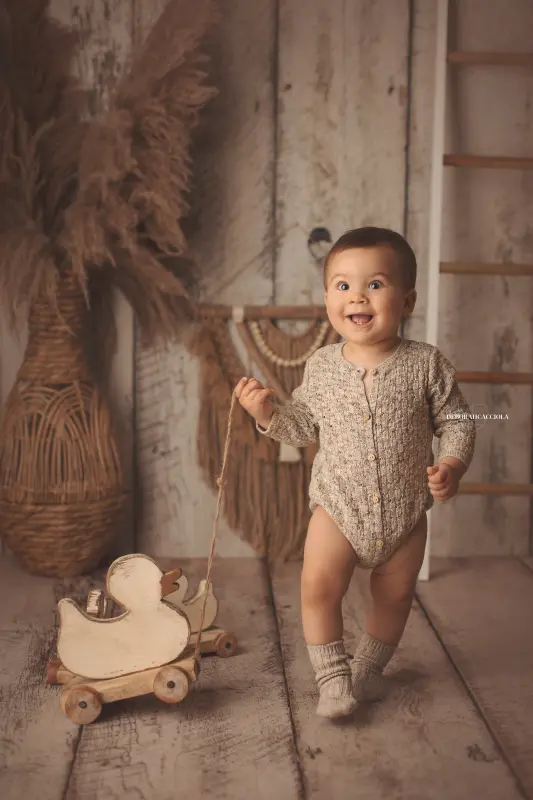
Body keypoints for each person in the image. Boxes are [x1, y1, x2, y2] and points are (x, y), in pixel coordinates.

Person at [235, 227, 476, 720]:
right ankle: (331, 679)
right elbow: (302, 425)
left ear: (406, 299)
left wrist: (452, 462)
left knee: (394, 596)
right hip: (338, 505)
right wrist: (266, 414)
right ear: (327, 298)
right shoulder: (322, 367)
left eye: (375, 284)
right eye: (343, 286)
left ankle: (366, 669)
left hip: (407, 512)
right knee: (318, 585)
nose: (357, 296)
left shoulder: (425, 364)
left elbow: (455, 421)